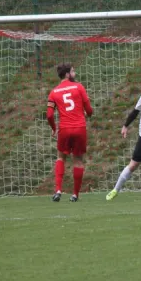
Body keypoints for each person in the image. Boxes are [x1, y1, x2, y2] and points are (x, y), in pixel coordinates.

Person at [47, 63, 93, 202]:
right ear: (67, 74)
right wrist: (88, 114)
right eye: (73, 71)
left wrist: (54, 128)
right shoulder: (79, 87)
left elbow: (49, 115)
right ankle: (75, 195)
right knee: (78, 161)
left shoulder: (54, 92)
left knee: (61, 157)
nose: (75, 74)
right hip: (79, 128)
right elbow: (89, 110)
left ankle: (58, 190)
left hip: (64, 129)